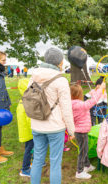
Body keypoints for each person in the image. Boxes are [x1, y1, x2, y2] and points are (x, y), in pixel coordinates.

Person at [29, 48, 75, 184]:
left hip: (37, 124)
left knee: (37, 160)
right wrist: (71, 130)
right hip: (55, 127)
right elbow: (66, 109)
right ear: (60, 62)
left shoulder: (33, 76)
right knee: (55, 163)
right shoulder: (61, 80)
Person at [70, 82, 106, 179]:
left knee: (84, 149)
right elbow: (93, 101)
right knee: (83, 151)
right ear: (79, 94)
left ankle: (87, 165)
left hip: (80, 131)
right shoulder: (79, 105)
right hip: (81, 132)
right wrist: (101, 89)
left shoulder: (72, 103)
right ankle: (80, 171)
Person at [16, 78, 33, 177]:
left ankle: (31, 163)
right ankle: (25, 169)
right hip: (29, 132)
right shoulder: (28, 104)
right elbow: (30, 120)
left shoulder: (22, 101)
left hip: (26, 132)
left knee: (30, 148)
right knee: (29, 149)